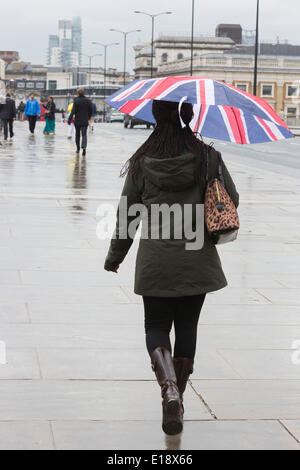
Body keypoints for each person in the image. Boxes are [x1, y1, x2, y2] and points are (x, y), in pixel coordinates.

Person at [104, 100, 239, 436]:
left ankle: (169, 390)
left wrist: (115, 257)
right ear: (188, 115)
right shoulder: (207, 157)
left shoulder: (141, 161)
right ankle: (178, 395)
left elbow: (127, 216)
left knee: (156, 325)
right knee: (188, 326)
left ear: (155, 116)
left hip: (156, 259)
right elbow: (231, 199)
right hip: (198, 257)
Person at [68, 88, 92, 156]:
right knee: (84, 135)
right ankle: (84, 147)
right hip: (85, 120)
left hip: (77, 120)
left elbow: (73, 111)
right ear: (84, 93)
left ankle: (78, 149)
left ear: (78, 93)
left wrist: (69, 119)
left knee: (77, 135)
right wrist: (88, 117)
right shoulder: (88, 100)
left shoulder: (76, 100)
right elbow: (90, 111)